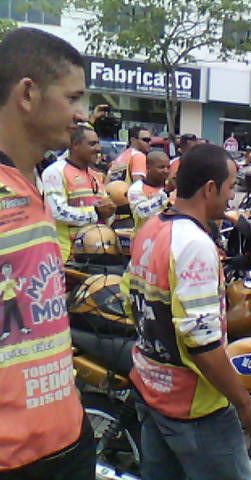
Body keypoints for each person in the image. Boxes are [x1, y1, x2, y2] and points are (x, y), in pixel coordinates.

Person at [123, 143, 251, 480]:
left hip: (152, 387)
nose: (233, 197)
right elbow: (201, 343)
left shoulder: (151, 228)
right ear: (210, 189)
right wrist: (245, 403)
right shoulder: (194, 245)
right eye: (231, 187)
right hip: (195, 406)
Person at [0, 27, 95, 479]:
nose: (82, 115)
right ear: (27, 93)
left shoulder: (32, 182)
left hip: (66, 438)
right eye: (73, 97)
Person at [42, 124, 116, 260]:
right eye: (92, 144)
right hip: (67, 256)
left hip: (98, 255)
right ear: (75, 145)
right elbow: (56, 211)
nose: (98, 149)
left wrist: (110, 211)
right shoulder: (55, 172)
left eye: (98, 144)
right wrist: (95, 213)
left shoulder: (96, 175)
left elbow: (106, 213)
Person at [128, 150, 174, 236]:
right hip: (145, 239)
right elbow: (141, 212)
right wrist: (166, 192)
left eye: (168, 167)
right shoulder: (136, 189)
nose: (166, 171)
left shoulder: (173, 186)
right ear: (148, 168)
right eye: (161, 167)